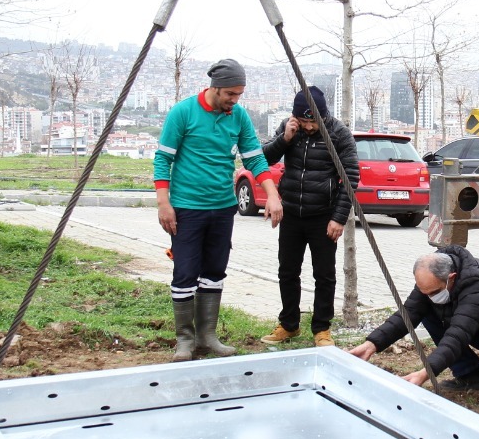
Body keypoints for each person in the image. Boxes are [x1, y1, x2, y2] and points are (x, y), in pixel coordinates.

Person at [154, 58, 280, 360]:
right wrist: (163, 203)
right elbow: (163, 160)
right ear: (216, 88)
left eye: (239, 95)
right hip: (186, 208)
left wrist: (272, 195)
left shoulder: (238, 116)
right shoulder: (183, 113)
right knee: (185, 271)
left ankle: (207, 335)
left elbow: (254, 159)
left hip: (223, 208)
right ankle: (184, 339)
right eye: (230, 95)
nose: (234, 101)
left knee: (214, 271)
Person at [347, 247, 479, 419]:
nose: (431, 296)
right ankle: (473, 375)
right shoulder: (433, 279)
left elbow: (458, 335)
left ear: (451, 278)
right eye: (424, 291)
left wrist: (425, 372)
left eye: (435, 292)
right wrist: (371, 344)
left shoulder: (477, 284)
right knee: (427, 312)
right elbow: (407, 315)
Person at [260, 86, 360, 347]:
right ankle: (289, 324)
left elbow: (350, 177)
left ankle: (322, 329)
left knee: (324, 274)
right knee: (287, 271)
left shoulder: (339, 134)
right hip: (292, 213)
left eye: (312, 121)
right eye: (303, 121)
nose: (308, 126)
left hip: (323, 216)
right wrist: (285, 137)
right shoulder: (289, 128)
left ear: (323, 116)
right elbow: (263, 159)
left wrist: (339, 218)